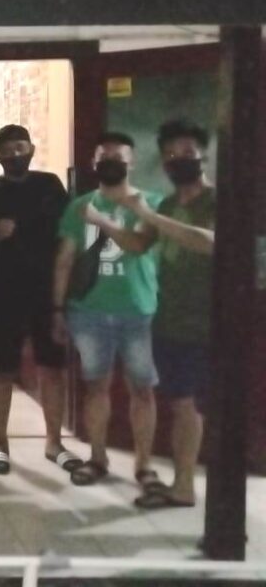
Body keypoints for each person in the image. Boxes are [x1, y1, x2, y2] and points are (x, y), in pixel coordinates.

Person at [115, 120, 215, 509]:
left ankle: (184, 486)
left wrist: (150, 216)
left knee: (188, 404)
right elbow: (140, 243)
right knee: (178, 402)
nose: (178, 160)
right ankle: (181, 482)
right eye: (171, 154)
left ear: (203, 155)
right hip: (168, 317)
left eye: (187, 152)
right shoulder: (170, 204)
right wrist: (109, 220)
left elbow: (209, 242)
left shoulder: (217, 201)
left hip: (205, 321)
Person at [52, 131, 160, 488]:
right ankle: (97, 458)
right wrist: (57, 309)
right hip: (88, 311)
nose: (110, 163)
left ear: (132, 162)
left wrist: (101, 221)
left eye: (118, 157)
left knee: (142, 389)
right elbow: (65, 260)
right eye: (104, 157)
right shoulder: (78, 206)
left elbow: (137, 245)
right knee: (95, 386)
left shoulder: (150, 203)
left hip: (138, 310)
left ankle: (144, 465)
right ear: (94, 163)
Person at [0, 124, 77, 476]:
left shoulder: (50, 186)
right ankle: (0, 444)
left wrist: (64, 293)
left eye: (21, 147)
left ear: (31, 149)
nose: (16, 155)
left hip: (47, 292)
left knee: (52, 368)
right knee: (3, 370)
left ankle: (54, 443)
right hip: (5, 293)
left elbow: (68, 237)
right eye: (8, 150)